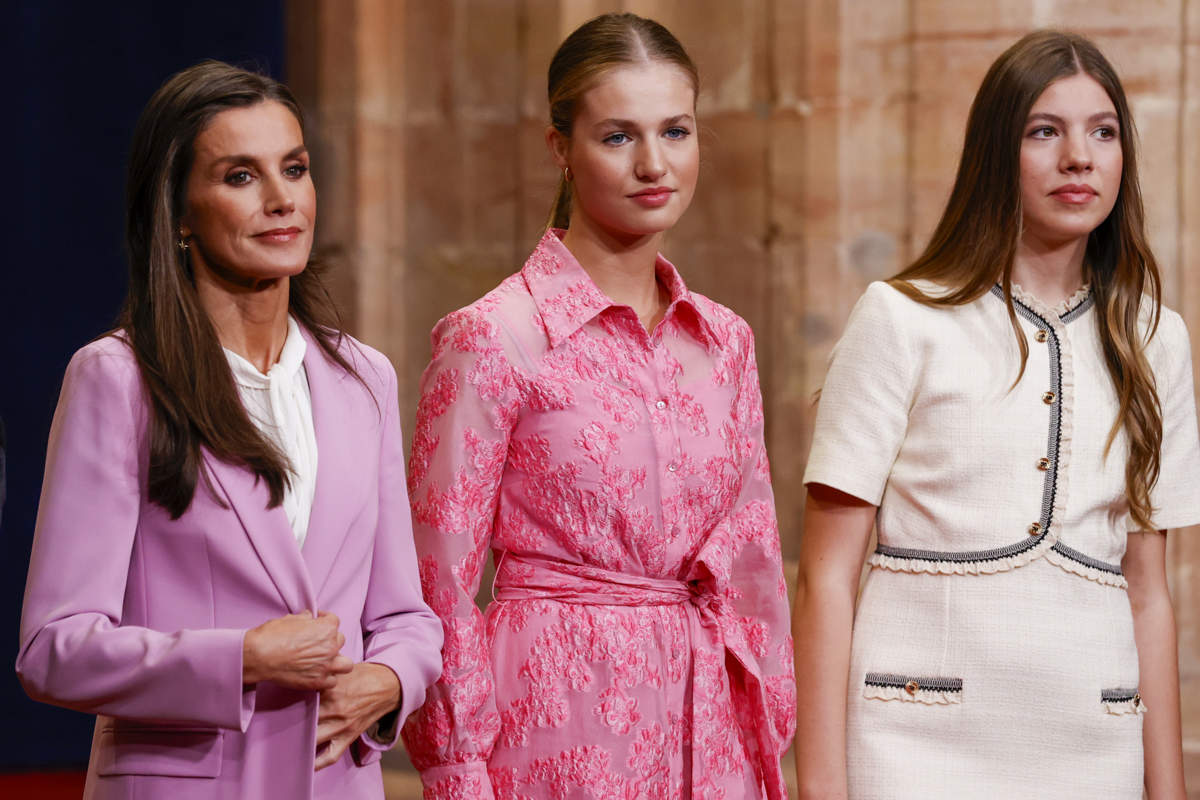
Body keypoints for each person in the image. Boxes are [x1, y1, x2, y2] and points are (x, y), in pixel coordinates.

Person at [16, 61, 442, 800]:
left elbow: (405, 614)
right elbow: (54, 650)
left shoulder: (364, 378)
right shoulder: (117, 379)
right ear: (179, 212)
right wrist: (241, 657)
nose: (282, 201)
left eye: (295, 168)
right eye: (240, 177)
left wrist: (390, 678)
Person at [793, 30, 1200, 799]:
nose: (1079, 157)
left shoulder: (1157, 338)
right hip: (912, 741)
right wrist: (822, 790)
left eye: (1103, 132)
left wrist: (1169, 792)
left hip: (1093, 743)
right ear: (993, 153)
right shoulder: (900, 318)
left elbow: (1149, 588)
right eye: (1044, 131)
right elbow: (826, 575)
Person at [401, 12, 796, 800]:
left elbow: (753, 566)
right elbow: (435, 582)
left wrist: (763, 740)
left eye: (676, 131)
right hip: (552, 732)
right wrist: (454, 769)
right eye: (618, 137)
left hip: (706, 735)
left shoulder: (724, 341)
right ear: (560, 148)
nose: (655, 164)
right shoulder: (493, 337)